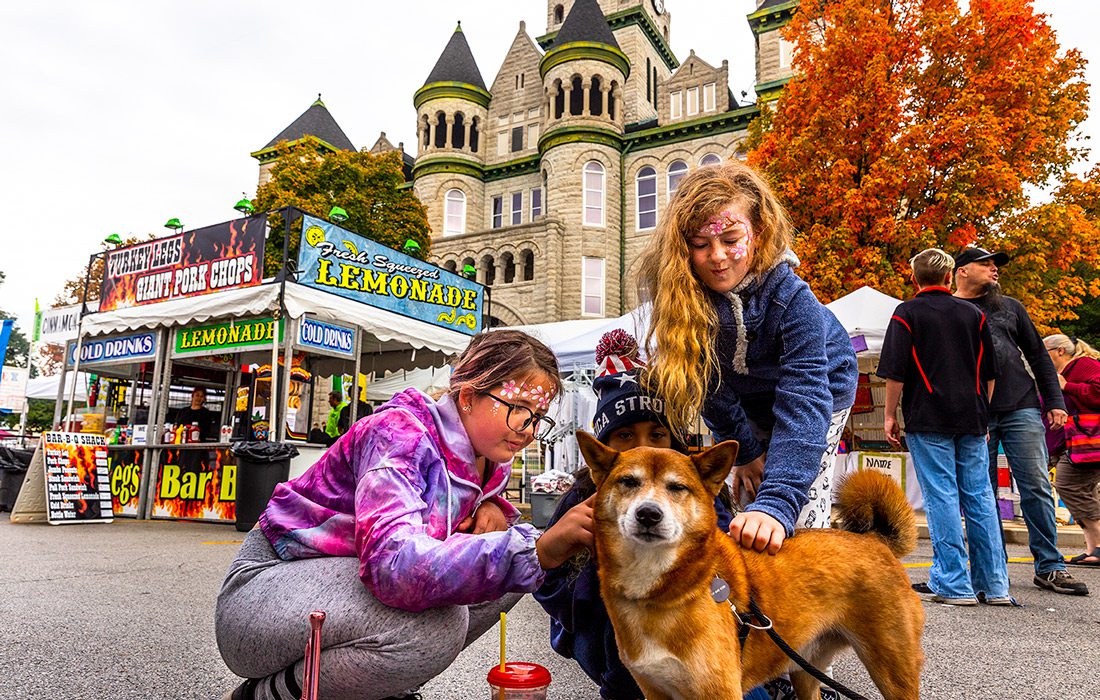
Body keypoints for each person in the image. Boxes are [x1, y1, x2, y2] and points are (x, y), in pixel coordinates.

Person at [215, 330, 594, 700]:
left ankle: (384, 686)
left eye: (538, 416)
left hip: (332, 595)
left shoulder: (492, 453)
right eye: (518, 410)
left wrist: (492, 505)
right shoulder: (398, 436)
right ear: (467, 396)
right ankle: (266, 695)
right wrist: (535, 549)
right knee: (441, 625)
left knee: (507, 575)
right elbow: (393, 566)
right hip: (262, 595)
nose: (528, 430)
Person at [637, 161, 857, 700]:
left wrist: (778, 502)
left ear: (757, 233)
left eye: (731, 239)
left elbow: (805, 401)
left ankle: (803, 664)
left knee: (796, 521)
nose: (717, 256)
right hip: (748, 408)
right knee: (742, 508)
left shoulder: (793, 299)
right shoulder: (687, 303)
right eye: (700, 244)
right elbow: (713, 390)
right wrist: (749, 454)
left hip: (819, 396)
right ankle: (752, 644)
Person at [533, 330, 753, 700]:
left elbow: (729, 569)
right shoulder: (582, 496)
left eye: (656, 434)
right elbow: (545, 581)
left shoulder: (698, 491)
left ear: (674, 438)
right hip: (608, 638)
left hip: (699, 631)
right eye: (624, 436)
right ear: (605, 447)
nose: (642, 448)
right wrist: (579, 588)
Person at [877, 249, 1010, 605]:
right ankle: (994, 584)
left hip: (928, 413)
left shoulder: (907, 313)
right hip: (972, 413)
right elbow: (990, 373)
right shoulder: (973, 314)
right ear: (950, 277)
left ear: (915, 279)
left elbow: (896, 371)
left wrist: (890, 415)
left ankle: (953, 582)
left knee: (943, 496)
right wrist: (983, 410)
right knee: (979, 496)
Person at [953, 247, 1089, 595]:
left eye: (995, 265)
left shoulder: (1010, 307)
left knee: (1036, 486)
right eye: (986, 264)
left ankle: (1050, 566)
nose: (994, 269)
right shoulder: (948, 308)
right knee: (979, 493)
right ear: (962, 270)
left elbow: (1038, 355)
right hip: (973, 413)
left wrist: (1055, 402)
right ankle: (989, 568)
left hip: (1021, 406)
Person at [1043, 334, 1100, 567]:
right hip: (1075, 443)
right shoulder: (1066, 371)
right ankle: (1093, 549)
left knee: (1067, 484)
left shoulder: (1084, 365)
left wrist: (1069, 386)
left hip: (1086, 442)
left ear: (1060, 351)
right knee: (1084, 490)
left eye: (1045, 351)